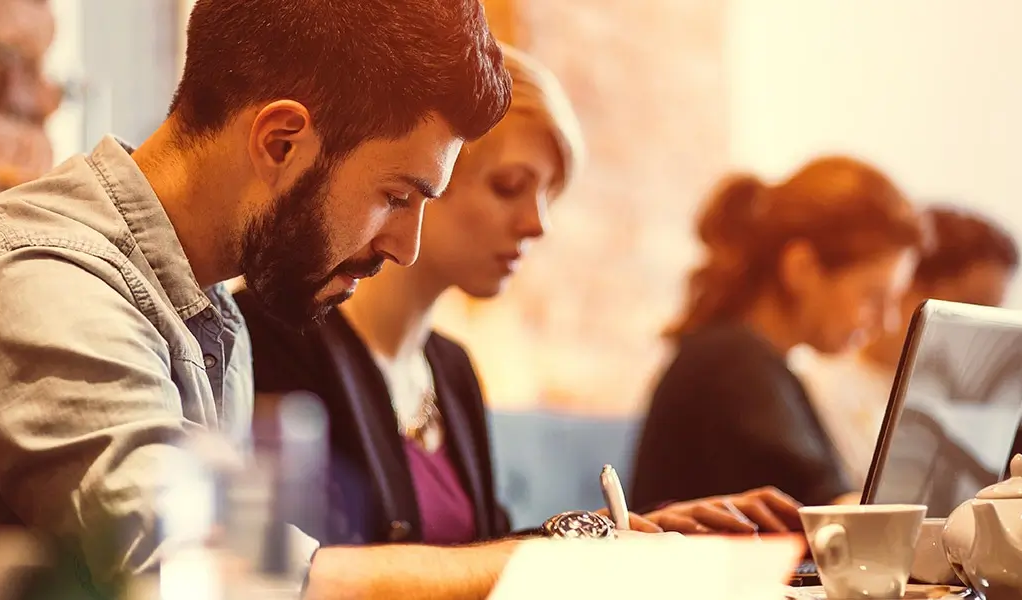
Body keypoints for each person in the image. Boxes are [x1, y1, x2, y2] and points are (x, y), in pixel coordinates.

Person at [0, 0, 555, 596]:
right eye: (397, 197)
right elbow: (191, 578)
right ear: (281, 141)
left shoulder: (211, 315)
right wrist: (544, 568)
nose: (405, 246)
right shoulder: (41, 285)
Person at [234, 44, 803, 547]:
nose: (538, 225)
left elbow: (481, 556)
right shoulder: (278, 333)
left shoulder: (450, 370)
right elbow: (313, 574)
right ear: (430, 174)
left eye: (550, 195)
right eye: (510, 188)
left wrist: (632, 533)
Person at [630, 156, 927, 510]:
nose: (889, 322)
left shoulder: (754, 360)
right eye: (873, 296)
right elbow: (832, 513)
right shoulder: (733, 363)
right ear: (801, 267)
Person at [792, 204, 1020, 487]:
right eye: (973, 305)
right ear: (910, 286)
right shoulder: (814, 380)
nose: (984, 331)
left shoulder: (953, 396)